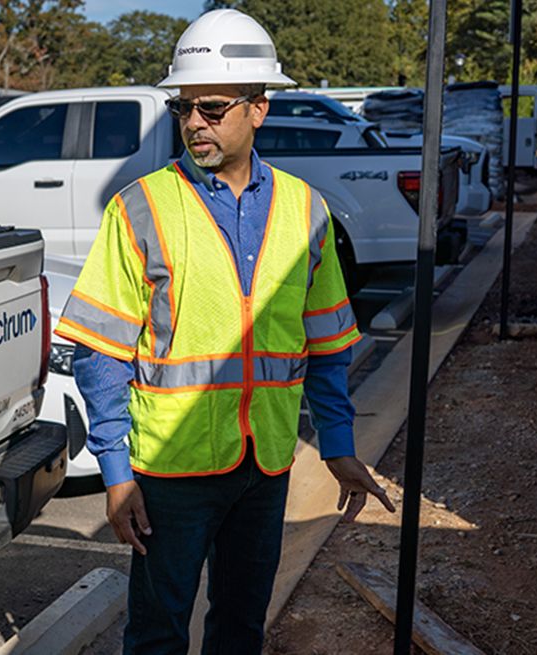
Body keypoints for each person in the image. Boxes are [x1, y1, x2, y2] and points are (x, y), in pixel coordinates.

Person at [53, 9, 397, 654]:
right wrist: (116, 470)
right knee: (156, 634)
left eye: (211, 107)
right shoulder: (142, 205)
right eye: (184, 109)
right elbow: (100, 354)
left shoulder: (306, 211)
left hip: (263, 467)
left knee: (241, 626)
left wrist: (338, 444)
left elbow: (324, 347)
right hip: (168, 473)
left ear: (258, 108)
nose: (194, 124)